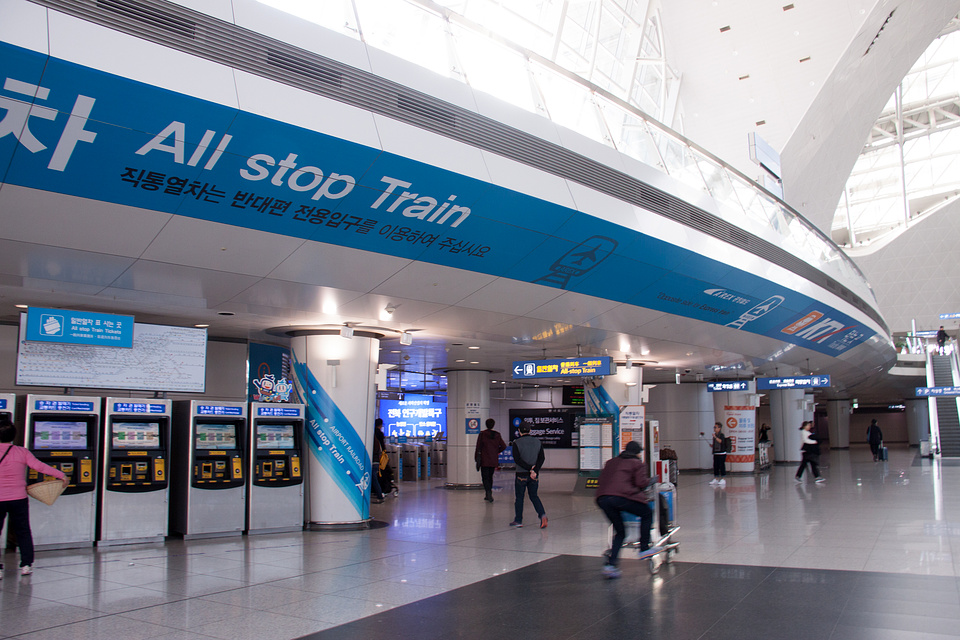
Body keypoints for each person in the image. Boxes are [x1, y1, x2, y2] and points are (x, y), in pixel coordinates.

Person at [0, 419, 68, 578]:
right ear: (13, 435)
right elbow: (40, 466)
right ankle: (26, 565)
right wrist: (61, 475)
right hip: (19, 498)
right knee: (23, 531)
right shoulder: (22, 452)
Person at [595, 440, 662, 579]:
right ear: (637, 453)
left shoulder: (611, 462)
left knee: (620, 532)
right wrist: (652, 480)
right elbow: (641, 483)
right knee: (647, 513)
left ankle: (610, 566)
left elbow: (601, 480)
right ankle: (644, 548)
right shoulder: (637, 463)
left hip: (603, 499)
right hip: (620, 497)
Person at [510, 424, 546, 528]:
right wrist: (534, 470)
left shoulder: (516, 443)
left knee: (519, 498)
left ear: (519, 431)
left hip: (521, 475)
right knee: (534, 496)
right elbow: (542, 458)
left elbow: (517, 460)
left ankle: (518, 520)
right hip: (533, 476)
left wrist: (529, 468)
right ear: (530, 430)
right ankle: (542, 515)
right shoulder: (537, 442)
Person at [475, 418, 506, 503]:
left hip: (484, 460)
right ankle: (488, 493)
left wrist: (476, 458)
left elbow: (478, 447)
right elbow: (504, 446)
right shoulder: (497, 435)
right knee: (490, 476)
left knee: (485, 477)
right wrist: (496, 451)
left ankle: (488, 493)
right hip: (493, 459)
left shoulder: (482, 434)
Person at [370, 418, 385, 503]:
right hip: (376, 460)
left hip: (373, 461)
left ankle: (380, 495)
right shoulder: (378, 436)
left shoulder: (373, 438)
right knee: (375, 478)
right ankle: (379, 494)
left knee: (374, 479)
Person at [709, 422, 727, 487]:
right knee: (715, 466)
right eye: (714, 427)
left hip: (721, 453)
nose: (714, 429)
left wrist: (715, 437)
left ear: (719, 428)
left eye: (715, 427)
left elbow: (721, 441)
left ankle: (723, 478)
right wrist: (712, 445)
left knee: (721, 465)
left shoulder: (721, 435)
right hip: (716, 452)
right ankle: (716, 478)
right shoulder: (715, 435)